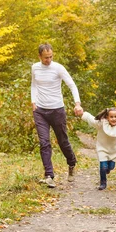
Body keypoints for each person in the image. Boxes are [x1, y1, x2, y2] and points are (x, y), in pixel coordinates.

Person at [31, 43, 83, 188]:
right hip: (40, 110)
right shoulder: (35, 67)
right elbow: (34, 84)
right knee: (44, 143)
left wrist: (77, 103)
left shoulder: (58, 68)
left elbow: (72, 85)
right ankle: (49, 175)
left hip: (57, 110)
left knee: (62, 141)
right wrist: (33, 101)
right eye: (46, 58)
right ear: (39, 56)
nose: (48, 60)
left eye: (51, 57)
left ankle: (71, 162)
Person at [81, 107, 116, 190]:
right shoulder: (101, 124)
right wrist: (82, 114)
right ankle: (103, 182)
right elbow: (91, 119)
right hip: (102, 148)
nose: (114, 119)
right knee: (103, 167)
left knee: (110, 167)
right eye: (111, 117)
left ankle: (107, 169)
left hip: (113, 150)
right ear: (107, 117)